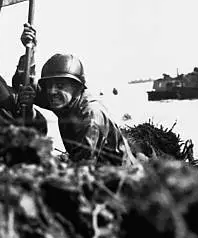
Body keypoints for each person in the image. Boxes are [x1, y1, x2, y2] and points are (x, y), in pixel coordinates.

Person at [19, 23, 136, 165]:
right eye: (49, 86)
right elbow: (23, 84)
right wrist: (30, 51)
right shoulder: (64, 100)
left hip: (121, 178)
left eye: (60, 85)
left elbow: (82, 166)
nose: (52, 92)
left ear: (77, 88)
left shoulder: (91, 115)